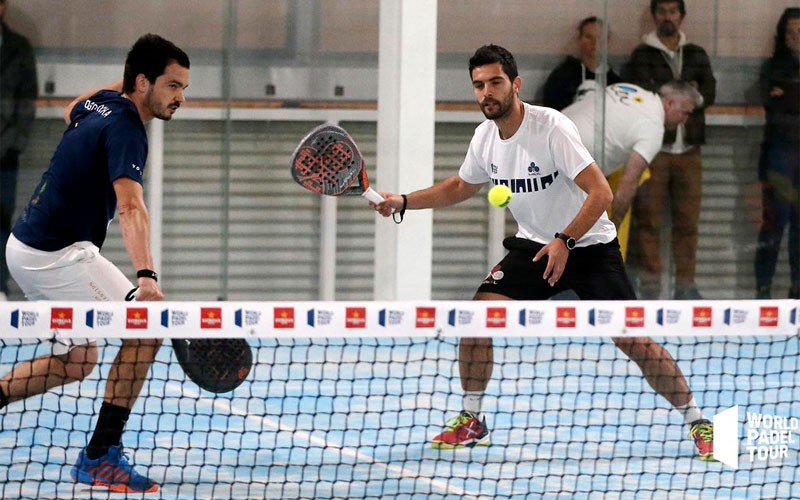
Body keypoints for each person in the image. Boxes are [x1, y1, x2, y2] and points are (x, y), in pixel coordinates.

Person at [373, 44, 715, 461]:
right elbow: (460, 186)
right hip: (536, 246)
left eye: (495, 82)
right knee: (477, 319)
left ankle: (697, 420)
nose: (486, 93)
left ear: (515, 84)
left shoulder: (551, 127)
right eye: (479, 85)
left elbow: (602, 192)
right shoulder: (484, 137)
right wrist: (404, 201)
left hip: (588, 246)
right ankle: (473, 419)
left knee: (634, 341)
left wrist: (566, 240)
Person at [0, 34, 189, 494]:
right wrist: (147, 278)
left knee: (77, 361)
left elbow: (71, 109)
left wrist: (126, 88)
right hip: (56, 254)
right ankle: (100, 457)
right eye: (172, 86)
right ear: (143, 82)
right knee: (147, 328)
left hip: (26, 245)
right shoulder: (127, 129)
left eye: (183, 87)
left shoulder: (101, 102)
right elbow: (130, 207)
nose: (180, 98)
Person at [621, 0, 716, 300]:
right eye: (662, 12)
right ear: (654, 16)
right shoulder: (641, 55)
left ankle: (685, 286)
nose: (667, 17)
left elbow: (709, 92)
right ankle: (650, 286)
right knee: (648, 219)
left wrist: (685, 96)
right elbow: (639, 94)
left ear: (682, 16)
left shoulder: (697, 54)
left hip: (689, 149)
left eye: (673, 12)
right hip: (655, 149)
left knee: (687, 221)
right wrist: (682, 90)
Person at [561, 81, 703, 259]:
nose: (685, 121)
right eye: (685, 113)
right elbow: (628, 184)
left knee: (519, 200)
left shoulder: (629, 88)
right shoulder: (653, 128)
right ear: (670, 103)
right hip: (565, 165)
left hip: (548, 136)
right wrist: (614, 226)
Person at [754, 8, 800, 300]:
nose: (796, 37)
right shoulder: (772, 67)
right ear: (783, 36)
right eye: (791, 32)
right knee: (775, 222)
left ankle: (797, 288)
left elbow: (785, 100)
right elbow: (770, 101)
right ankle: (763, 288)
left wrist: (791, 94)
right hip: (779, 154)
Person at [0, 0, 38, 301]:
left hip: (5, 155)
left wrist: (13, 144)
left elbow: (27, 101)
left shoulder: (19, 47)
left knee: (2, 222)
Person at [541, 16, 621, 111]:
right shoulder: (562, 76)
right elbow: (552, 113)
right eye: (588, 37)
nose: (594, 42)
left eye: (600, 37)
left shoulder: (615, 82)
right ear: (579, 39)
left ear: (607, 41)